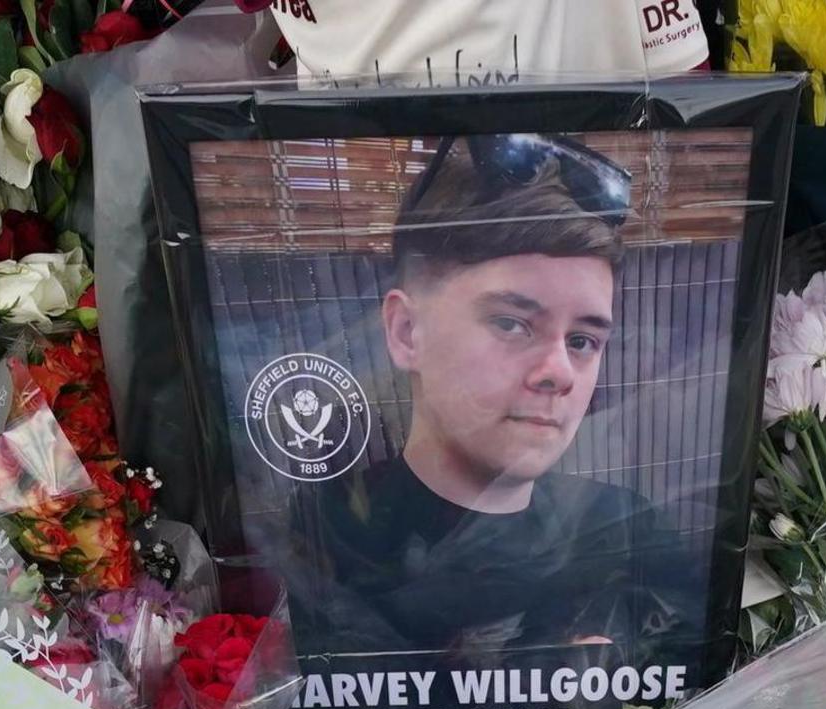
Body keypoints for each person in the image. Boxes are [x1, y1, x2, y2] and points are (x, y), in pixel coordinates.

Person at [283, 132, 703, 676]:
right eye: (511, 324)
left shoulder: (630, 532)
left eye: (583, 341)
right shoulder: (328, 532)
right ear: (408, 331)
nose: (559, 373)